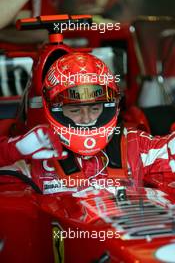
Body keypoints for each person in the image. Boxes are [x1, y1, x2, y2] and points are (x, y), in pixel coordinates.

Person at [0, 52, 175, 194]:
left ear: (110, 106)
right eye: (75, 110)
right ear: (55, 109)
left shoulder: (135, 147)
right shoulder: (32, 158)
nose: (86, 118)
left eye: (94, 108)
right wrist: (14, 151)